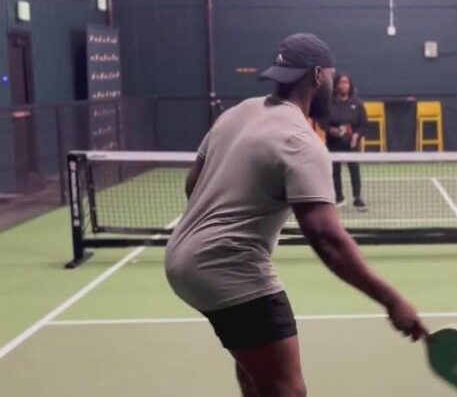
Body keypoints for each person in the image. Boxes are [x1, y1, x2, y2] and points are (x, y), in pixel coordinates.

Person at [165, 33, 426, 397]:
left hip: (180, 259)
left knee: (256, 371)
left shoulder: (237, 112)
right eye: (333, 76)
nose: (335, 85)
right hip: (227, 267)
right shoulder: (301, 142)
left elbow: (192, 184)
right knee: (287, 390)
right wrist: (391, 299)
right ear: (318, 76)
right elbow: (326, 239)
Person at [325, 74, 368, 211]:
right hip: (334, 142)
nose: (344, 85)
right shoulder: (329, 103)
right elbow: (322, 121)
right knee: (335, 171)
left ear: (350, 85)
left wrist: (357, 135)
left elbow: (363, 123)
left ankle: (357, 198)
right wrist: (331, 130)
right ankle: (339, 197)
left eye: (346, 83)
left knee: (354, 170)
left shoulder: (358, 103)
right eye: (341, 82)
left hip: (351, 143)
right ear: (336, 85)